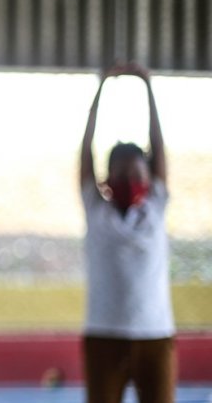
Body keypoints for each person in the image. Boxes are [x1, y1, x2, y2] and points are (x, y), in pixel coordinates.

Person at [79, 63, 175, 403]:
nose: (130, 182)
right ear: (107, 180)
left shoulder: (156, 206)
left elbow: (159, 148)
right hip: (103, 335)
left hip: (156, 335)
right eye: (121, 175)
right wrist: (100, 87)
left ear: (149, 181)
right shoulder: (96, 209)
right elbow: (86, 150)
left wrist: (147, 86)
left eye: (137, 175)